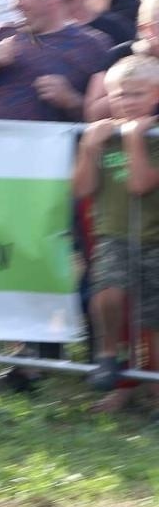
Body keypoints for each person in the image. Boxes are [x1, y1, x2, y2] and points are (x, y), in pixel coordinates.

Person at [73, 53, 159, 412]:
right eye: (120, 95)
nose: (127, 102)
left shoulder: (152, 135)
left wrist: (134, 139)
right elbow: (81, 189)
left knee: (153, 322)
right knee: (106, 293)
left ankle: (155, 394)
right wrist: (90, 148)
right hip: (113, 233)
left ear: (155, 94)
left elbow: (140, 184)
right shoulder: (102, 135)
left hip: (154, 238)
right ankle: (109, 354)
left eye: (136, 94)